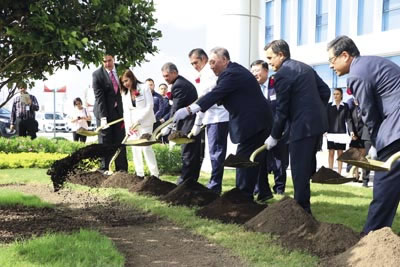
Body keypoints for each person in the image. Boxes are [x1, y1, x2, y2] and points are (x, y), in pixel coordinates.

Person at [172, 47, 274, 201]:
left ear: (225, 60)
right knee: (255, 159)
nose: (211, 66)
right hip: (258, 121)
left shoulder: (232, 73)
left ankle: (242, 198)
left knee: (243, 158)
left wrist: (189, 110)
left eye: (213, 62)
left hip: (255, 123)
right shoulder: (230, 73)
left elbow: (216, 94)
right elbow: (216, 95)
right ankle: (263, 192)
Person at [327, 35, 400, 235]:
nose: (331, 66)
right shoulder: (371, 64)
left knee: (384, 185)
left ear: (345, 55)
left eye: (331, 61)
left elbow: (368, 113)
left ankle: (370, 240)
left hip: (396, 130)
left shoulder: (357, 74)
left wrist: (377, 144)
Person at [264, 40, 330, 213]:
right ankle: (303, 206)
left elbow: (282, 110)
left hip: (302, 127)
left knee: (299, 171)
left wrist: (274, 135)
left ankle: (302, 212)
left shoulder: (282, 75)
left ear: (281, 55)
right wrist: (315, 111)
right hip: (317, 125)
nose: (269, 62)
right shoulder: (306, 67)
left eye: (270, 58)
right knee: (306, 167)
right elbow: (325, 92)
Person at [188, 48, 230, 194]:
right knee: (214, 152)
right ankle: (214, 183)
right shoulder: (205, 73)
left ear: (204, 59)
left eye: (196, 62)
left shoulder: (209, 74)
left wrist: (197, 123)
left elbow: (204, 100)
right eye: (192, 64)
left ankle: (215, 186)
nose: (194, 66)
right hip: (212, 118)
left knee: (216, 152)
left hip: (218, 118)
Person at [250, 60, 289, 195]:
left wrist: (281, 128)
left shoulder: (276, 85)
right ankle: (259, 188)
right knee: (259, 160)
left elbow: (282, 108)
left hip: (278, 129)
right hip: (259, 130)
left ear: (266, 71)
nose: (255, 74)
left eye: (257, 70)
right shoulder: (252, 89)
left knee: (279, 161)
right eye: (253, 71)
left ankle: (279, 189)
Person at [160, 62, 202, 185]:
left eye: (167, 76)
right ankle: (191, 181)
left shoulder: (178, 85)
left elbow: (176, 108)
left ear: (174, 73)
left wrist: (168, 125)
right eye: (163, 76)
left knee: (188, 153)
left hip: (189, 124)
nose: (165, 79)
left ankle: (185, 181)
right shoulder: (180, 83)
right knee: (192, 152)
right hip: (190, 122)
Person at [92, 54, 128, 173]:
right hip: (104, 112)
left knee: (120, 140)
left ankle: (121, 170)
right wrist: (103, 118)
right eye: (105, 61)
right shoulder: (97, 75)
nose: (107, 64)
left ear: (114, 59)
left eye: (110, 61)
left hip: (119, 113)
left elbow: (129, 87)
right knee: (105, 141)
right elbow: (99, 98)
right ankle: (105, 169)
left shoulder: (123, 70)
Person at [121, 70, 159, 178]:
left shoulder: (144, 87)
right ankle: (139, 175)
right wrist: (128, 127)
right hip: (133, 125)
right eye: (123, 82)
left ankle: (154, 175)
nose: (125, 84)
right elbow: (126, 111)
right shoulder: (124, 93)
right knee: (135, 149)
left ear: (132, 78)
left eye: (126, 80)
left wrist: (139, 120)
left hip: (146, 122)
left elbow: (149, 106)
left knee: (146, 148)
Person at [347, 97, 371, 186]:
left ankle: (363, 178)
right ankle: (356, 174)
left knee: (363, 156)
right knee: (354, 155)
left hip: (364, 134)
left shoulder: (366, 106)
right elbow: (349, 120)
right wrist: (351, 131)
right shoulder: (351, 107)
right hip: (355, 133)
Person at [326, 88, 349, 175]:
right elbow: (326, 118)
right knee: (331, 153)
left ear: (341, 95)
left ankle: (339, 173)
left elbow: (348, 119)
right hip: (331, 133)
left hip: (341, 133)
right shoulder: (328, 106)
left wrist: (351, 131)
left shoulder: (345, 106)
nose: (335, 96)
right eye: (334, 94)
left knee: (340, 153)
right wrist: (325, 130)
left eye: (337, 94)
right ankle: (330, 172)